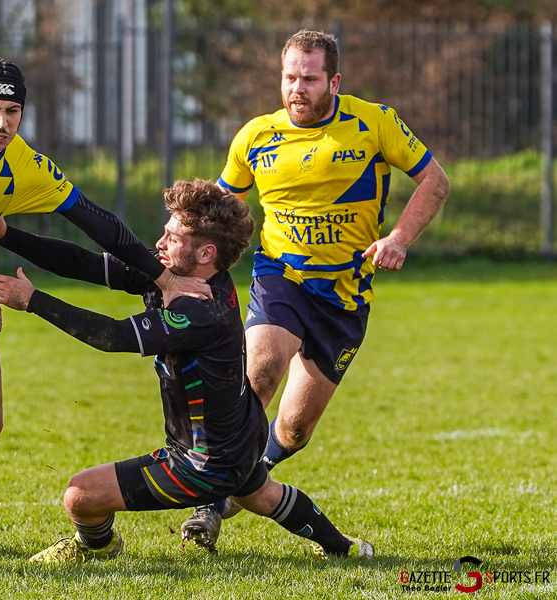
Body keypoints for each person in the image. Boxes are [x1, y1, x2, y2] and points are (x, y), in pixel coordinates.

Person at [0, 57, 208, 569]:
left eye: (12, 111)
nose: (1, 123)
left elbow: (99, 223)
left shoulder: (25, 163)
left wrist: (165, 278)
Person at [0, 178, 373, 562]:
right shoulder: (179, 278)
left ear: (205, 253)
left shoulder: (200, 309)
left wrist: (33, 300)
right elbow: (88, 264)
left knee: (80, 496)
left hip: (203, 462)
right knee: (260, 493)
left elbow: (113, 336)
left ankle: (95, 546)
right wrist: (6, 234)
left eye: (172, 237)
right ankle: (344, 547)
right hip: (242, 434)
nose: (159, 243)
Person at [177, 29, 451, 548]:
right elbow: (217, 211)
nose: (296, 88)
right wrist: (178, 259)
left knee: (295, 430)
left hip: (345, 298)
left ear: (334, 81)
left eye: (309, 78)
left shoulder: (374, 123)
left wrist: (398, 237)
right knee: (260, 373)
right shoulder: (255, 136)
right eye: (289, 77)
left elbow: (435, 181)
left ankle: (242, 478)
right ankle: (210, 502)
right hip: (282, 277)